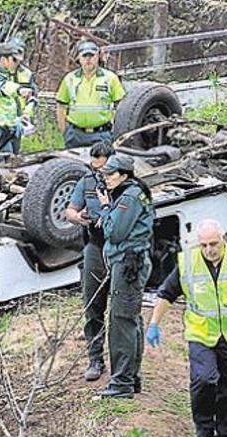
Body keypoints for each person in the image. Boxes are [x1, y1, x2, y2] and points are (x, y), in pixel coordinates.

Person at [146, 220, 227, 437]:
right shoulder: (188, 263)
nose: (209, 249)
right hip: (201, 333)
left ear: (224, 239)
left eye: (214, 243)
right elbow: (167, 294)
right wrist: (154, 324)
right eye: (204, 245)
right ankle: (203, 431)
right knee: (204, 379)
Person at [96, 154, 154, 399]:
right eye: (105, 174)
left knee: (121, 322)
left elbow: (115, 232)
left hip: (128, 264)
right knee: (131, 319)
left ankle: (121, 383)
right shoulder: (133, 193)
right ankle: (131, 378)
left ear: (124, 175)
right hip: (131, 262)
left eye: (111, 174)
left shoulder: (128, 198)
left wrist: (106, 207)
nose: (107, 179)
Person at [65, 142, 115, 381]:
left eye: (103, 169)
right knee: (93, 305)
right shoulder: (85, 182)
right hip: (94, 244)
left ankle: (122, 363)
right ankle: (95, 358)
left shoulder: (127, 185)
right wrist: (80, 218)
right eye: (95, 169)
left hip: (118, 245)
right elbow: (70, 211)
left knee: (122, 310)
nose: (100, 175)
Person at [55, 41, 125, 149]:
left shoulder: (110, 78)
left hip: (101, 134)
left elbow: (121, 106)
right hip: (75, 135)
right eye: (84, 55)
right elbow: (61, 106)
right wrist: (64, 132)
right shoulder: (69, 79)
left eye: (91, 55)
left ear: (98, 57)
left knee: (100, 165)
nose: (88, 59)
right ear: (78, 58)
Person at [9, 36, 38, 137]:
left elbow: (33, 97)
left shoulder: (26, 74)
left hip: (20, 119)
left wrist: (27, 114)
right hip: (3, 120)